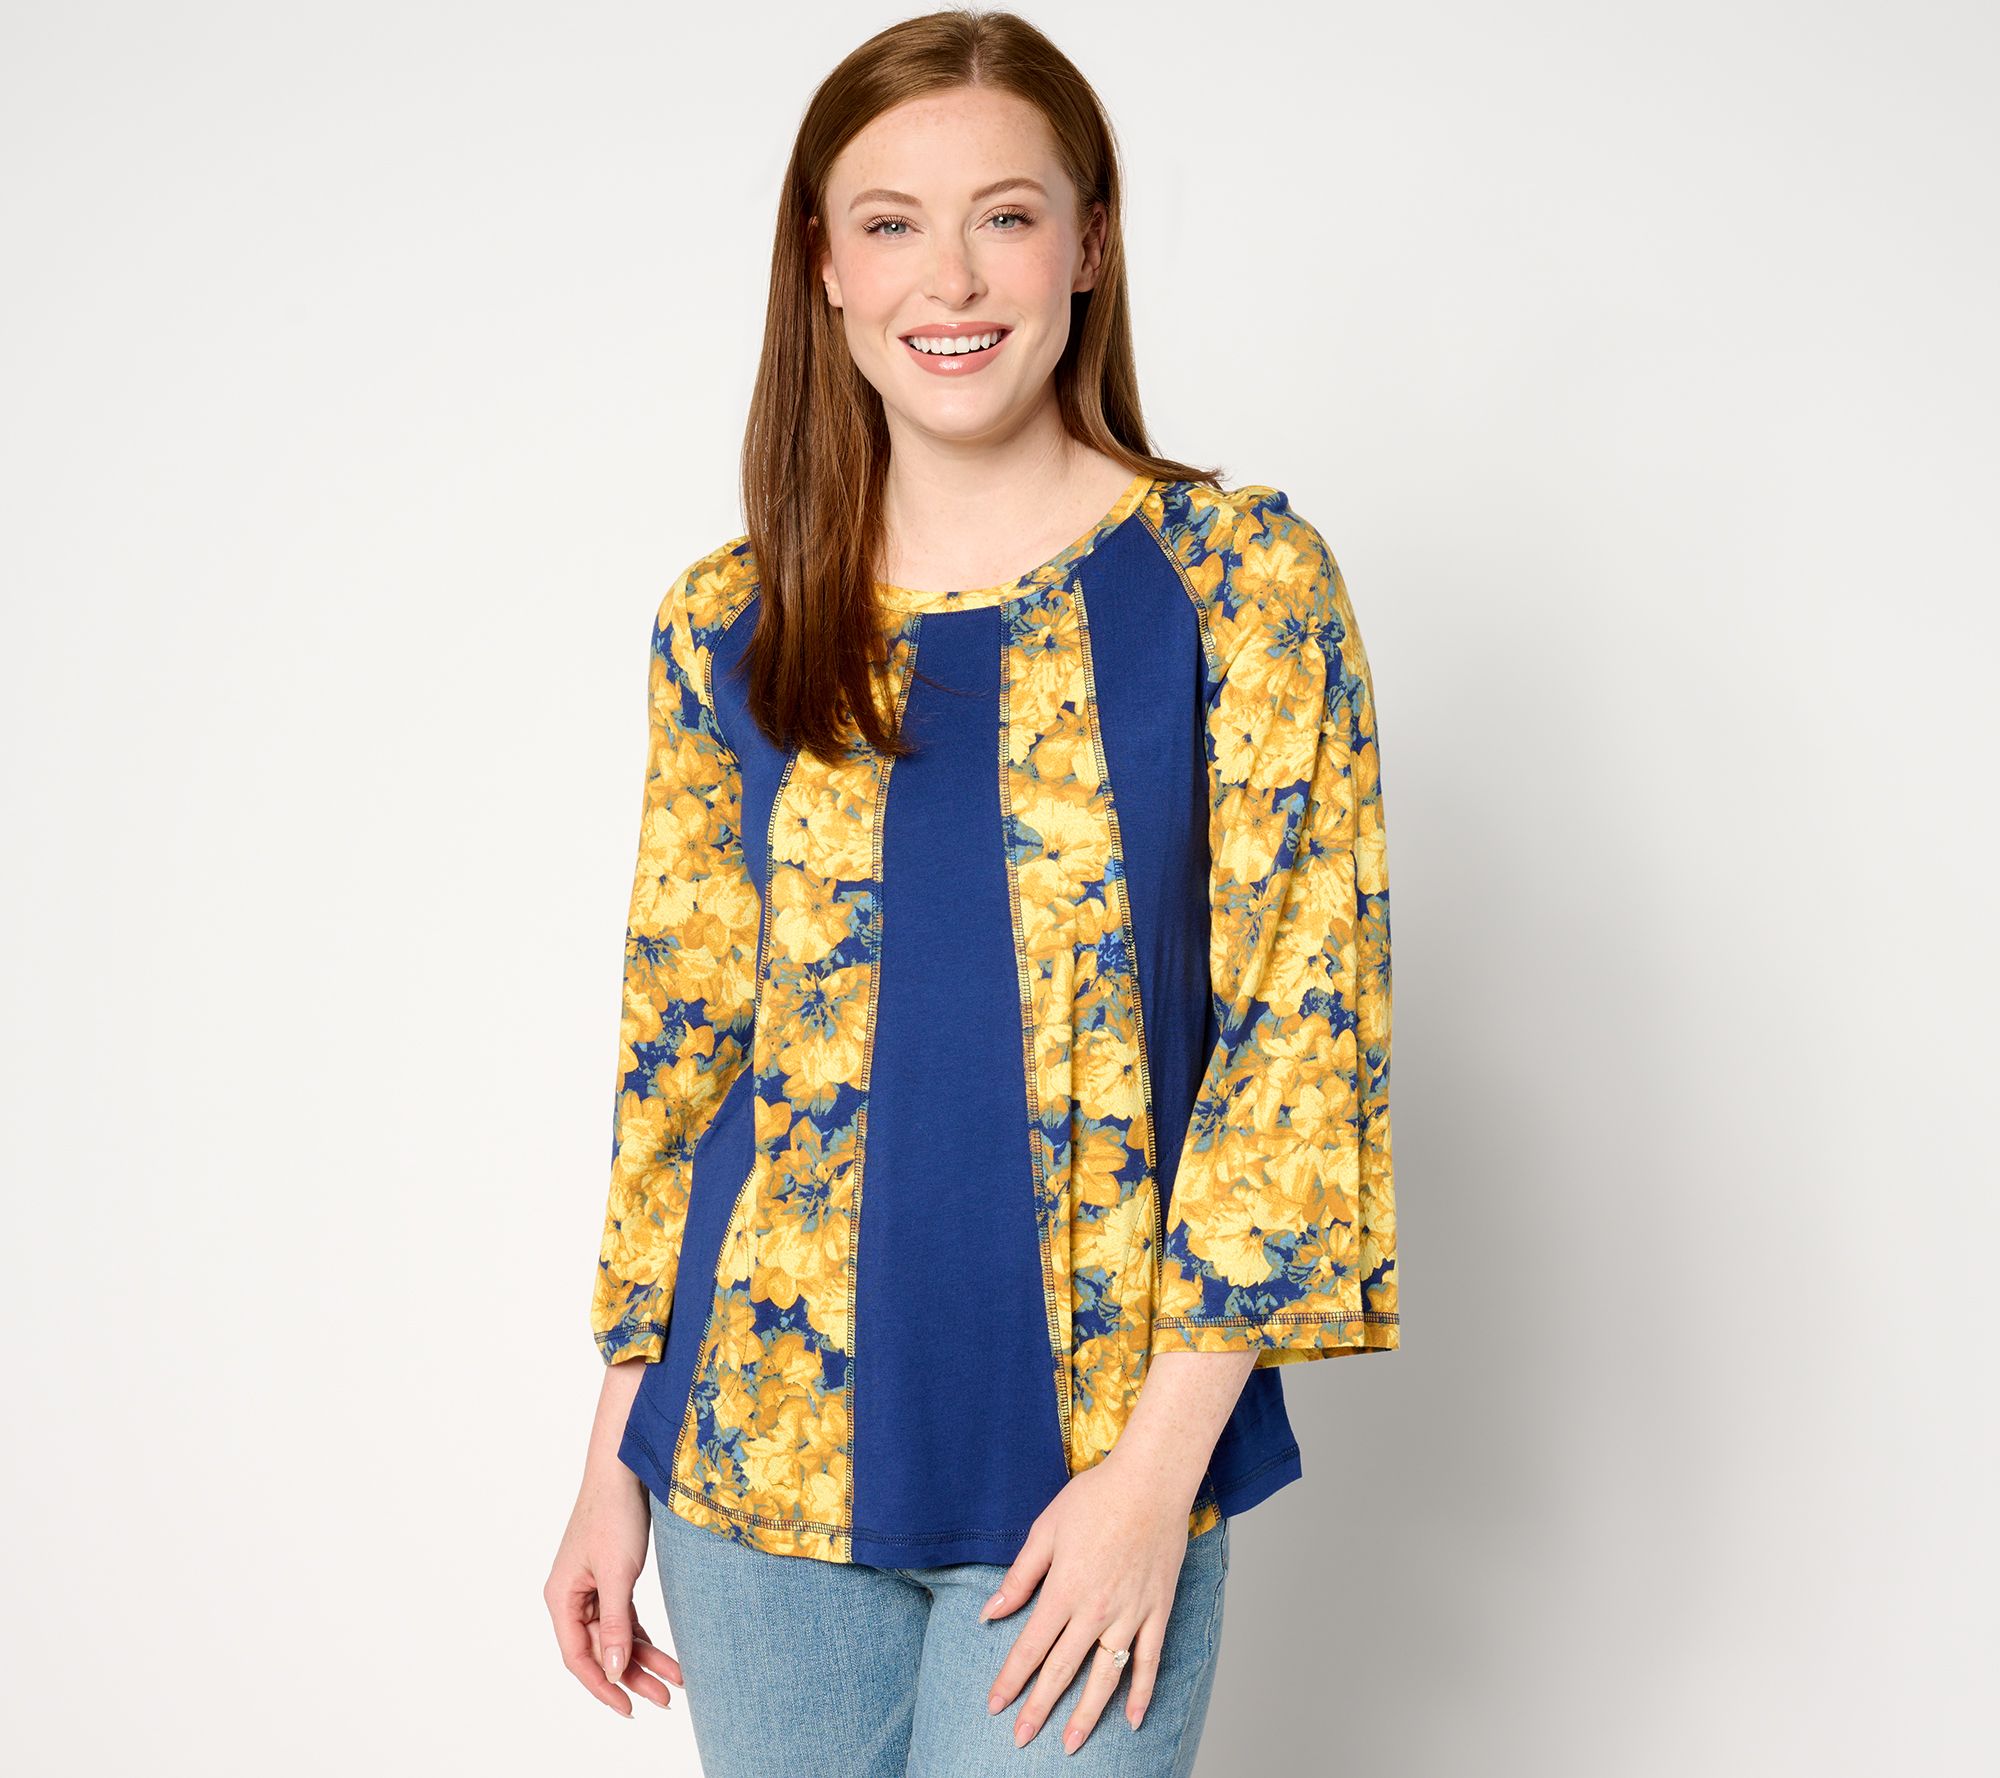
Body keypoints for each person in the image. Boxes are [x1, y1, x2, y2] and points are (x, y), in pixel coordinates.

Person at [543, 9, 1398, 1773]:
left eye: (1006, 216)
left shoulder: (1239, 585)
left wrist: (1156, 1477)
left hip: (1093, 1462)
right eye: (891, 223)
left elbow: (1298, 1050)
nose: (951, 278)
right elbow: (687, 1051)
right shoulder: (728, 618)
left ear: (1089, 245)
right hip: (750, 1464)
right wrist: (613, 1454)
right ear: (825, 265)